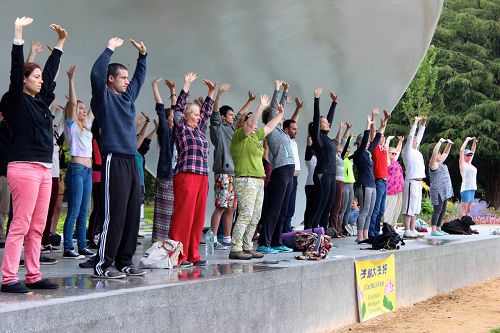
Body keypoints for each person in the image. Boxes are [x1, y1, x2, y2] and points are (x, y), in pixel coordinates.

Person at [1, 17, 66, 293]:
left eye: (40, 78)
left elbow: (50, 77)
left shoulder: (40, 102)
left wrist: (60, 45)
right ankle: (7, 278)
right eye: (35, 77)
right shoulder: (16, 100)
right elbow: (17, 71)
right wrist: (18, 36)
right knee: (21, 224)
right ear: (25, 80)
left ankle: (33, 274)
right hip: (24, 166)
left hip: (43, 168)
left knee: (38, 226)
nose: (41, 81)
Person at [91, 37, 147, 279]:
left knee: (132, 213)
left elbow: (138, 79)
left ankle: (125, 261)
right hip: (114, 159)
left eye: (127, 78)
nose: (127, 81)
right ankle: (104, 265)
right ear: (111, 79)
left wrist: (142, 57)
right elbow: (95, 74)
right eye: (122, 78)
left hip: (131, 160)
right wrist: (109, 49)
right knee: (114, 214)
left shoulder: (127, 98)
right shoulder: (104, 98)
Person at [169, 72, 216, 267]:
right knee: (183, 216)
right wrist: (186, 85)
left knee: (197, 218)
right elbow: (178, 108)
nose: (198, 117)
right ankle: (178, 255)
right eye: (195, 115)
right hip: (186, 175)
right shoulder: (181, 127)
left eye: (198, 115)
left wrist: (211, 92)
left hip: (202, 176)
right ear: (187, 116)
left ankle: (192, 254)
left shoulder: (198, 130)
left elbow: (206, 112)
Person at [229, 95, 285, 260]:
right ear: (244, 123)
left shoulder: (255, 137)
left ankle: (247, 246)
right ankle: (236, 247)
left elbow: (269, 127)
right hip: (245, 180)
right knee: (245, 214)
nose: (254, 125)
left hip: (258, 180)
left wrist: (280, 115)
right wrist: (260, 108)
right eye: (250, 121)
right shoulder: (239, 136)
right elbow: (250, 124)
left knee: (255, 216)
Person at [209, 85, 255, 249]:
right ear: (222, 117)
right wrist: (219, 93)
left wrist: (250, 100)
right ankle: (213, 238)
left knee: (232, 207)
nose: (232, 117)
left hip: (234, 173)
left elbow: (240, 116)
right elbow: (214, 114)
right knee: (221, 206)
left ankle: (227, 238)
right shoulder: (218, 128)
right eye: (229, 114)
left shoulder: (232, 128)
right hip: (223, 172)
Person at [256, 80, 295, 254]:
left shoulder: (283, 132)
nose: (281, 117)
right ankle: (264, 242)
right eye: (278, 116)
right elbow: (274, 108)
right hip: (280, 172)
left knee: (284, 209)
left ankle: (277, 241)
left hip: (290, 171)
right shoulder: (270, 130)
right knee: (275, 207)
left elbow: (280, 108)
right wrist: (278, 89)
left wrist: (286, 92)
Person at [62, 65, 95, 259]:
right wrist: (71, 81)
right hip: (77, 169)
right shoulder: (72, 126)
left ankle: (82, 246)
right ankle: (68, 247)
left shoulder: (88, 126)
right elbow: (73, 105)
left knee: (84, 211)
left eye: (84, 109)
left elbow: (95, 104)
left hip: (88, 171)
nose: (83, 110)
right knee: (74, 210)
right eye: (80, 109)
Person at [352, 113, 386, 243]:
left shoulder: (368, 152)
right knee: (364, 211)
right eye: (364, 143)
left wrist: (382, 126)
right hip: (364, 184)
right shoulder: (359, 153)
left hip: (372, 184)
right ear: (360, 143)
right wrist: (368, 125)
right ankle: (359, 236)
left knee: (371, 211)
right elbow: (367, 139)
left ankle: (366, 235)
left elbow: (376, 140)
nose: (367, 144)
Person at [150, 78, 176, 242]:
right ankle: (159, 240)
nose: (175, 117)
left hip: (177, 175)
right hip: (166, 175)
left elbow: (177, 109)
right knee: (164, 211)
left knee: (174, 211)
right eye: (172, 116)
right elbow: (161, 109)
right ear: (167, 120)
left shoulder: (179, 132)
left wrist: (173, 91)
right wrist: (155, 87)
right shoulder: (165, 132)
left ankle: (171, 239)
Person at [310, 88, 339, 231]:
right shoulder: (318, 137)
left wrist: (334, 103)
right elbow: (317, 119)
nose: (327, 123)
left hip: (332, 174)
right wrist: (317, 100)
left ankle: (323, 233)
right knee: (321, 205)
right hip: (323, 174)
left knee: (328, 206)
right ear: (318, 126)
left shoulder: (327, 138)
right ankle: (313, 232)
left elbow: (329, 120)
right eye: (324, 122)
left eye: (327, 122)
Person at [401, 116, 427, 239]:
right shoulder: (407, 151)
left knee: (415, 208)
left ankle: (412, 229)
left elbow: (419, 136)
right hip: (411, 181)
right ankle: (406, 229)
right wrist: (416, 122)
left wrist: (423, 124)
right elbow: (411, 136)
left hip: (418, 182)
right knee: (409, 207)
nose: (416, 140)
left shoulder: (417, 151)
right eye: (414, 140)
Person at [282, 97, 304, 233]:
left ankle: (287, 232)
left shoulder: (293, 141)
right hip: (287, 176)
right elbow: (287, 123)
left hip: (294, 178)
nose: (296, 130)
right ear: (286, 130)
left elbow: (292, 123)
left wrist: (299, 108)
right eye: (293, 129)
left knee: (291, 208)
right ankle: (283, 233)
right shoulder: (284, 139)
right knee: (285, 207)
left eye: (296, 129)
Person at [368, 109, 391, 238]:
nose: (382, 138)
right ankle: (372, 232)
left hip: (384, 181)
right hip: (378, 180)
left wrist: (386, 120)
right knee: (376, 208)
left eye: (383, 137)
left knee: (381, 209)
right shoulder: (376, 147)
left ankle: (376, 230)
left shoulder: (384, 148)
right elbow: (374, 133)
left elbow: (382, 130)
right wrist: (374, 117)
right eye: (381, 137)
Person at [328, 122, 351, 237]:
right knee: (336, 206)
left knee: (340, 206)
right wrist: (340, 129)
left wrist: (347, 129)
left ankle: (338, 228)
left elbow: (344, 141)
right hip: (336, 181)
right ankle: (334, 228)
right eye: (338, 145)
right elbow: (338, 140)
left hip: (341, 181)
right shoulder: (332, 155)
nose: (340, 146)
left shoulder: (339, 155)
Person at [429, 138, 454, 236]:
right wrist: (439, 142)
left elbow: (446, 153)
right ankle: (434, 230)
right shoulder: (433, 164)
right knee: (437, 209)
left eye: (440, 153)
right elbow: (435, 153)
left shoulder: (440, 163)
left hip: (444, 191)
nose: (440, 155)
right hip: (437, 191)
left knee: (443, 210)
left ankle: (439, 228)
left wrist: (449, 144)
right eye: (438, 153)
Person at [384, 136, 405, 227]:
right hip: (391, 189)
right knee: (390, 209)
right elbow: (385, 151)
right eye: (392, 153)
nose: (394, 155)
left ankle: (392, 226)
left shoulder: (394, 161)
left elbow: (398, 151)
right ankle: (387, 227)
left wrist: (400, 141)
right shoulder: (387, 162)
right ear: (388, 153)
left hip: (398, 189)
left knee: (397, 209)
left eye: (394, 154)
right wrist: (388, 140)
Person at [459, 137, 478, 217]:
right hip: (466, 189)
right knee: (464, 210)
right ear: (464, 156)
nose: (470, 156)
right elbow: (461, 150)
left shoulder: (470, 163)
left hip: (472, 188)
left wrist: (474, 141)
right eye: (468, 155)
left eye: (470, 155)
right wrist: (467, 140)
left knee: (469, 210)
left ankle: (467, 227)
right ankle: (462, 227)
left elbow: (473, 150)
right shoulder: (462, 164)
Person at [303, 122, 316, 230]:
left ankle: (314, 228)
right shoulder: (309, 158)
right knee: (310, 208)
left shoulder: (320, 157)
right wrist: (310, 130)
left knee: (316, 209)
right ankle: (308, 228)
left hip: (318, 185)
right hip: (311, 185)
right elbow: (309, 144)